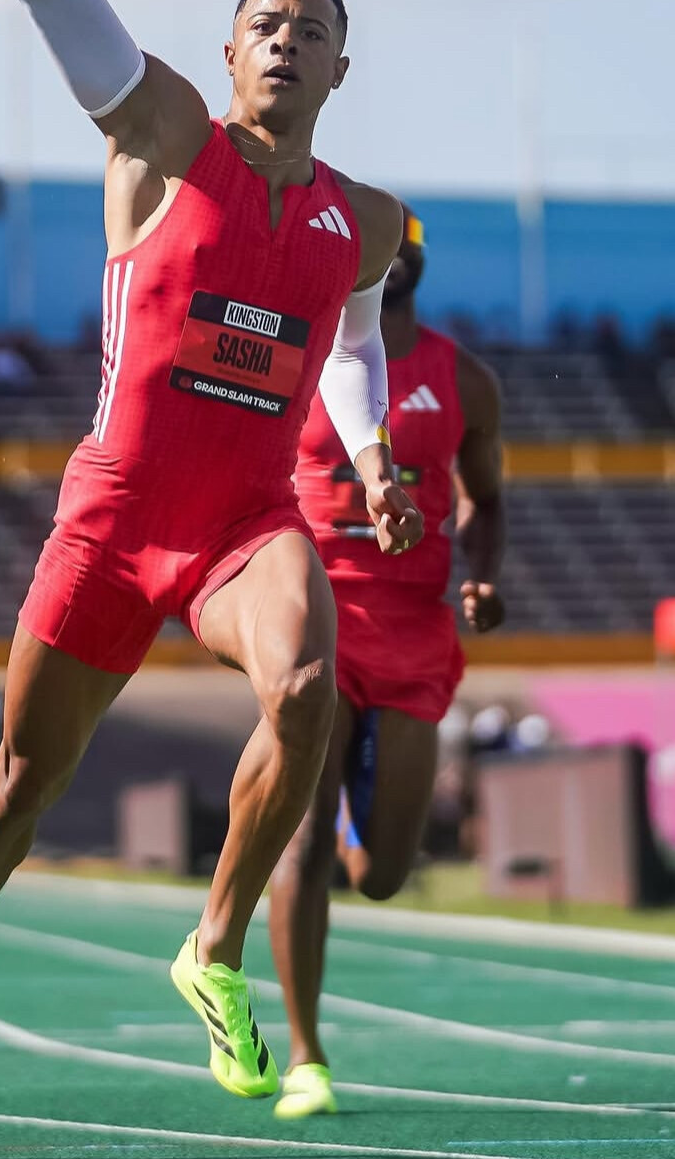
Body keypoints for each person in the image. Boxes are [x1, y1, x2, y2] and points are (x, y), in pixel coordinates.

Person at [0, 0, 424, 1105]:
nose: (288, 39)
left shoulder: (368, 222)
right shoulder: (163, 134)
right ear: (230, 52)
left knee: (308, 687)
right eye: (267, 22)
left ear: (341, 68)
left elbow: (354, 341)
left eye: (313, 28)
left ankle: (212, 949)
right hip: (118, 519)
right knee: (27, 783)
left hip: (248, 523)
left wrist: (371, 460)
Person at [268, 210, 507, 1119]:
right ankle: (306, 1056)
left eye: (405, 244)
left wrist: (484, 576)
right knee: (300, 843)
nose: (393, 256)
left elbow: (488, 500)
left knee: (383, 876)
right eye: (382, 243)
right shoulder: (299, 355)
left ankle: (348, 822)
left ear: (419, 260)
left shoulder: (465, 379)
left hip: (413, 628)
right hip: (314, 612)